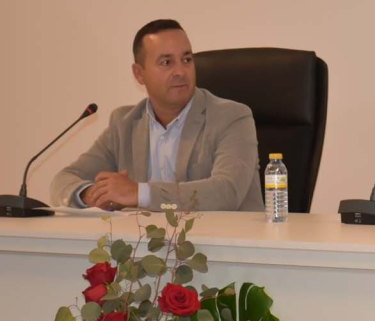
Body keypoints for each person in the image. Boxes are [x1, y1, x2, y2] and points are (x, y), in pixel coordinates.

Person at [50, 19, 264, 212]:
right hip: (145, 242)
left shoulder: (231, 117)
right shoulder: (124, 124)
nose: (180, 71)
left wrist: (140, 194)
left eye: (187, 59)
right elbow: (63, 180)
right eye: (166, 62)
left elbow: (226, 193)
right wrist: (91, 194)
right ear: (139, 74)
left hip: (223, 242)